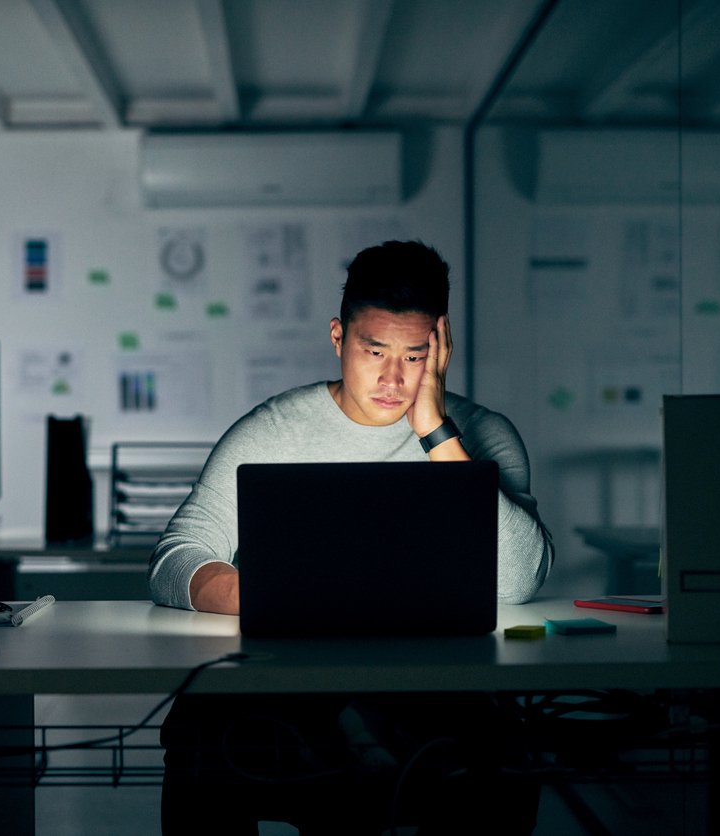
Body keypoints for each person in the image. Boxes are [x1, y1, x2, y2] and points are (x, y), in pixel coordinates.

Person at [149, 240, 553, 834]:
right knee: (201, 727)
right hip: (295, 685)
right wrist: (261, 596)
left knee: (505, 755)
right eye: (374, 351)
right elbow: (174, 560)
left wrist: (436, 434)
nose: (393, 378)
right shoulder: (272, 432)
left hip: (433, 684)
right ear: (338, 337)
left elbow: (519, 579)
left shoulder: (481, 438)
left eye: (414, 356)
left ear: (440, 348)